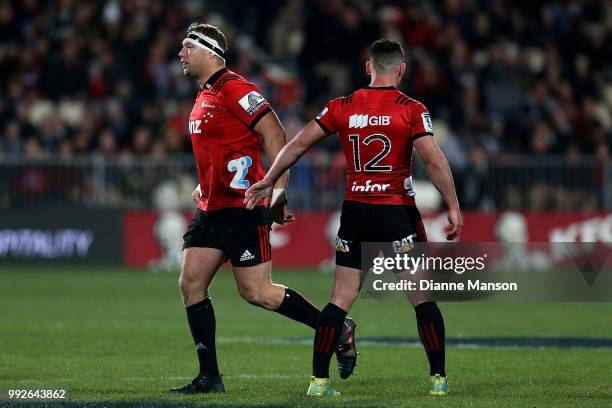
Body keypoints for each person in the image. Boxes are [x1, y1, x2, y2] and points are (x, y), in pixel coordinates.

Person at [245, 39, 463, 397]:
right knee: (422, 299)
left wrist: (269, 180)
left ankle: (318, 382)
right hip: (395, 213)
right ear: (402, 69)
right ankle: (438, 380)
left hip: (356, 211)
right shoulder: (411, 109)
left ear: (368, 67)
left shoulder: (342, 106)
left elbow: (298, 144)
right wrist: (453, 204)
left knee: (340, 299)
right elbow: (434, 160)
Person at [171, 23, 357, 394]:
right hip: (211, 208)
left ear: (209, 52)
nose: (181, 54)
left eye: (187, 47)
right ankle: (210, 377)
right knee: (191, 283)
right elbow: (222, 149)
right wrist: (204, 184)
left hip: (244, 207)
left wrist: (278, 190)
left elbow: (275, 134)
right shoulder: (204, 94)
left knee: (256, 292)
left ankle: (337, 328)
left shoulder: (236, 88)